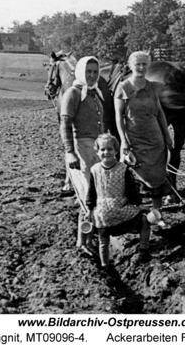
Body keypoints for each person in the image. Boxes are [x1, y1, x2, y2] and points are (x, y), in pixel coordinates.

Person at [114, 51, 174, 211]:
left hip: (156, 141)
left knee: (158, 181)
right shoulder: (123, 88)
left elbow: (160, 113)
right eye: (137, 64)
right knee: (136, 181)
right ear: (130, 66)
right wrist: (124, 141)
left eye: (144, 64)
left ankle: (157, 216)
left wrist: (167, 136)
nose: (141, 67)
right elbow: (119, 118)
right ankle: (137, 218)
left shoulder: (154, 87)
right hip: (135, 142)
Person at [60, 56, 105, 255]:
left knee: (98, 194)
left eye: (95, 72)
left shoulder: (96, 94)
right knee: (88, 196)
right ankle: (83, 242)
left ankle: (90, 238)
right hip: (82, 148)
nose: (92, 75)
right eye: (88, 72)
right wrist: (70, 152)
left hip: (96, 148)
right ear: (80, 72)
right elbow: (65, 125)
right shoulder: (73, 93)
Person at [86, 134, 151, 267]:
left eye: (109, 149)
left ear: (116, 151)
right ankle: (143, 250)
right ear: (97, 152)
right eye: (103, 149)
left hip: (102, 215)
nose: (106, 152)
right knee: (145, 219)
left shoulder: (93, 170)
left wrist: (89, 210)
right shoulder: (124, 169)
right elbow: (131, 192)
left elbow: (91, 193)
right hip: (121, 210)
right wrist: (139, 205)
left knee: (103, 240)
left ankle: (105, 264)